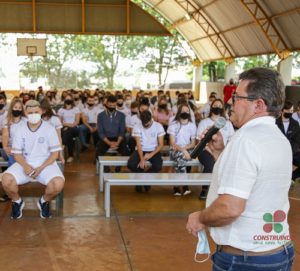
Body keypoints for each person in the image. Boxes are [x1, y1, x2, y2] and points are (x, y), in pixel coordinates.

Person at [186, 68, 294, 270]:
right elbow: (252, 177)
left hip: (246, 260)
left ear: (258, 105)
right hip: (277, 251)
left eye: (236, 97)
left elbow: (230, 208)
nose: (229, 102)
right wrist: (221, 153)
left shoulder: (245, 139)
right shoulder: (279, 138)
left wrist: (200, 217)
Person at [1, 100, 65, 219]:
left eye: (36, 112)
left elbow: (54, 154)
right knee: (6, 180)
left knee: (58, 184)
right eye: (30, 113)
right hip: (24, 164)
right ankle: (17, 201)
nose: (33, 115)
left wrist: (41, 168)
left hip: (46, 165)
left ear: (41, 111)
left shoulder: (49, 129)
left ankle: (44, 201)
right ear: (25, 112)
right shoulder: (20, 129)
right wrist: (25, 166)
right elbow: (17, 154)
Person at [196, 99, 234, 199]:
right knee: (210, 165)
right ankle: (205, 189)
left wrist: (222, 151)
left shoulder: (228, 123)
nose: (217, 107)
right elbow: (200, 141)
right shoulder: (204, 122)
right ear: (211, 107)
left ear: (222, 109)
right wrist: (214, 153)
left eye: (219, 105)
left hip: (223, 150)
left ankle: (223, 189)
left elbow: (231, 139)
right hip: (205, 151)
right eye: (215, 105)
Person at [127, 110, 165, 192]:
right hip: (141, 150)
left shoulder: (158, 126)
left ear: (151, 119)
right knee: (131, 164)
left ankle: (145, 179)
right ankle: (141, 180)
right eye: (143, 124)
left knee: (158, 166)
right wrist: (142, 159)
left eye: (147, 124)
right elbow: (138, 144)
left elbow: (161, 144)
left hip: (153, 150)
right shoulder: (137, 126)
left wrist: (151, 154)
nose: (145, 126)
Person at [168, 103, 196, 196]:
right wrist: (183, 150)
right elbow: (172, 143)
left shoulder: (192, 125)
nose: (185, 112)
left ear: (189, 112)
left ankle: (176, 186)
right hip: (175, 150)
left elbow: (193, 143)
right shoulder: (173, 125)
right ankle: (185, 185)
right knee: (180, 156)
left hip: (188, 149)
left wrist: (184, 149)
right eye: (183, 111)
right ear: (179, 112)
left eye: (187, 111)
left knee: (179, 159)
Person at [96, 95, 129, 169]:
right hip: (105, 139)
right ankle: (106, 168)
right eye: (110, 105)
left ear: (116, 105)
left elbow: (122, 131)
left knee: (126, 152)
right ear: (106, 104)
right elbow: (100, 132)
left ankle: (118, 166)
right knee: (98, 153)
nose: (112, 107)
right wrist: (109, 143)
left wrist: (117, 142)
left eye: (114, 105)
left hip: (118, 139)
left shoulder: (121, 115)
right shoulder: (100, 115)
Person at [276, 100, 300, 180]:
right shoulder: (274, 123)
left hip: (291, 152)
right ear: (282, 111)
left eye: (292, 111)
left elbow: (296, 141)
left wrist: (289, 152)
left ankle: (291, 178)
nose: (290, 112)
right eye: (288, 111)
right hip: (277, 152)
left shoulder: (295, 124)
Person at [57, 94, 80, 163]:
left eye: (69, 99)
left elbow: (76, 122)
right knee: (67, 134)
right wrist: (66, 126)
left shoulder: (76, 109)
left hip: (75, 128)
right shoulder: (61, 110)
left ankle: (63, 146)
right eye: (66, 99)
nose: (68, 100)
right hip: (64, 127)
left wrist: (67, 126)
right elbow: (59, 122)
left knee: (67, 132)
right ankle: (70, 155)